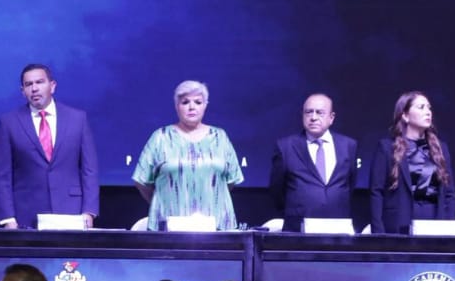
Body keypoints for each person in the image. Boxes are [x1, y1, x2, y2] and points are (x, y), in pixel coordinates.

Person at [0, 63, 99, 229]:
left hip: (71, 211)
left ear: (52, 86)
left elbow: (89, 170)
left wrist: (89, 211)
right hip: (26, 215)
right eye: (28, 84)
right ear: (23, 91)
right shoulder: (9, 122)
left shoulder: (77, 119)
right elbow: (2, 175)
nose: (34, 88)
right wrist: (8, 218)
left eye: (39, 82)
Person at [132, 80, 244, 231]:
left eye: (198, 102)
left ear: (205, 105)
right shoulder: (160, 137)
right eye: (185, 102)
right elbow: (141, 180)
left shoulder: (220, 137)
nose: (192, 107)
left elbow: (231, 180)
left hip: (217, 227)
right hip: (168, 229)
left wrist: (211, 196)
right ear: (176, 106)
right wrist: (162, 202)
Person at [368, 91, 455, 234]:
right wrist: (378, 232)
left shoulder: (441, 148)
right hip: (398, 223)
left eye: (429, 107)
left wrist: (450, 227)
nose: (428, 112)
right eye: (421, 107)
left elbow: (449, 194)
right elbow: (376, 192)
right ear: (405, 115)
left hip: (434, 221)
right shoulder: (386, 147)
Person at [269, 93, 359, 227]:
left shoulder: (349, 146)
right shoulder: (285, 147)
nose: (313, 117)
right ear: (302, 115)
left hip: (338, 225)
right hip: (298, 227)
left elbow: (350, 183)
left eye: (320, 113)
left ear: (331, 118)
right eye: (309, 112)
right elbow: (277, 190)